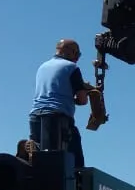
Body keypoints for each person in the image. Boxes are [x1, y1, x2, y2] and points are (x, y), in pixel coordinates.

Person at [28, 38, 94, 168]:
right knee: (74, 163)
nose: (77, 58)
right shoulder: (72, 67)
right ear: (71, 52)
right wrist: (86, 91)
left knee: (40, 161)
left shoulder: (43, 66)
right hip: (56, 119)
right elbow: (82, 100)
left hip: (35, 117)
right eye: (77, 54)